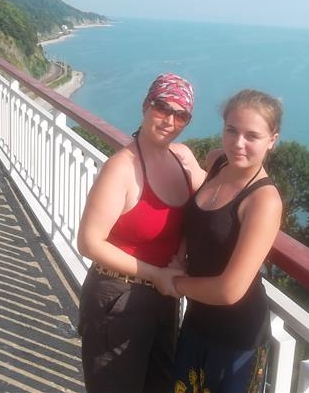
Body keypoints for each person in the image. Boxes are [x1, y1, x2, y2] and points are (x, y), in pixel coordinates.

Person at [77, 73, 204, 393]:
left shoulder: (183, 158)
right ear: (146, 105)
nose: (170, 120)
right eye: (163, 108)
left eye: (181, 115)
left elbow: (208, 207)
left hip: (164, 296)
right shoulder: (122, 168)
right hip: (119, 297)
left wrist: (179, 257)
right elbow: (89, 242)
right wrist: (156, 274)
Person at [171, 89, 283, 393]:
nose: (238, 143)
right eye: (231, 130)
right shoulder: (219, 162)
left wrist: (174, 283)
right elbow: (202, 221)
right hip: (197, 320)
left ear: (272, 140)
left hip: (237, 339)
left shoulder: (263, 201)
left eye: (252, 136)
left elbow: (230, 290)